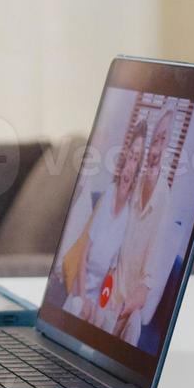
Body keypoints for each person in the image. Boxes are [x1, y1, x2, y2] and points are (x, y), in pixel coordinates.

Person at [59, 116, 146, 328]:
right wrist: (83, 297)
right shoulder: (107, 197)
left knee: (100, 323)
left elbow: (112, 271)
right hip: (81, 288)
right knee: (78, 312)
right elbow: (83, 257)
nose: (130, 164)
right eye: (130, 156)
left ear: (138, 167)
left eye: (137, 158)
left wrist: (100, 303)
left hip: (101, 297)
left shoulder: (130, 214)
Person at [109, 107, 183, 345]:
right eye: (154, 141)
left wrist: (124, 310)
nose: (155, 150)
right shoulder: (134, 184)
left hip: (127, 303)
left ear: (168, 146)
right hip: (109, 289)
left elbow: (148, 281)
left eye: (163, 141)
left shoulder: (164, 199)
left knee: (132, 327)